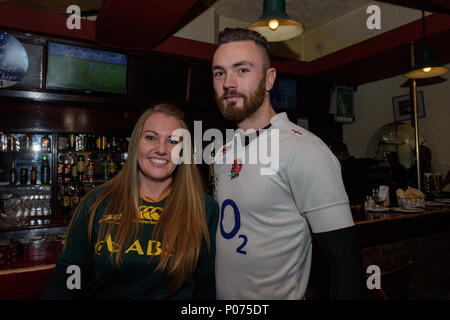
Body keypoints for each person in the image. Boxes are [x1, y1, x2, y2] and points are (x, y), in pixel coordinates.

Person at [211, 28, 364, 300]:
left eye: (242, 70)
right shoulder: (223, 151)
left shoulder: (304, 150)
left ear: (269, 79)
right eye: (219, 72)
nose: (228, 83)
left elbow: (347, 264)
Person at [42, 104, 218, 299]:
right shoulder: (97, 202)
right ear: (135, 144)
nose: (161, 149)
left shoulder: (203, 209)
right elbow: (67, 278)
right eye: (151, 137)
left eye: (173, 141)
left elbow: (207, 289)